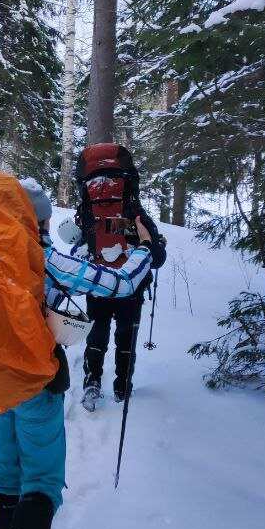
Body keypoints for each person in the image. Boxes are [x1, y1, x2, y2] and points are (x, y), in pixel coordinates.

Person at [0, 178, 154, 529]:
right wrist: (144, 251)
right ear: (36, 220)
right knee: (42, 474)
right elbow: (115, 284)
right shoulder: (40, 257)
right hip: (31, 378)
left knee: (6, 469)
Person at [73, 158, 168, 410]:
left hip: (98, 285)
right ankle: (122, 388)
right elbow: (157, 258)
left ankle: (92, 382)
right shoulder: (137, 214)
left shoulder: (86, 213)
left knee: (97, 336)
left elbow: (79, 248)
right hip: (131, 290)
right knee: (126, 340)